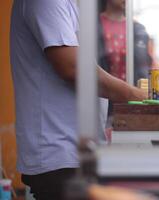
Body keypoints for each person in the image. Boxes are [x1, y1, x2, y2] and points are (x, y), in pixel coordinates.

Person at [10, 0, 146, 200]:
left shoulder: (72, 5)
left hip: (74, 152)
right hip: (59, 154)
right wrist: (137, 95)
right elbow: (73, 68)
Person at [98, 0, 153, 84]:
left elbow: (148, 64)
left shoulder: (138, 30)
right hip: (102, 92)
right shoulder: (93, 25)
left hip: (133, 93)